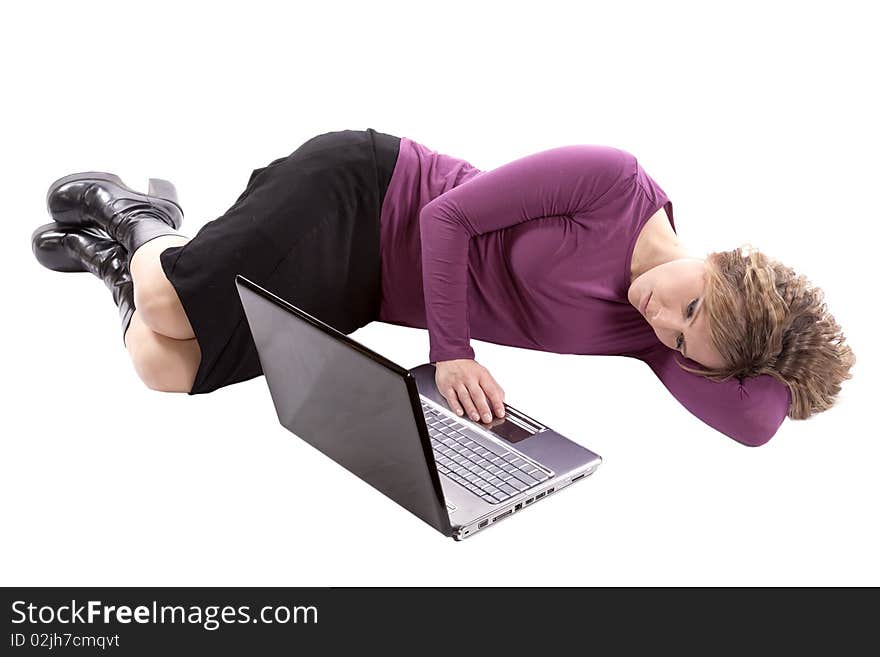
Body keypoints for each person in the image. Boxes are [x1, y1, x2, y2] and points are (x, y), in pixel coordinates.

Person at [31, 128, 854, 448]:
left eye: (682, 339)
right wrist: (451, 353)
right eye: (693, 302)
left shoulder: (654, 342)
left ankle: (118, 264)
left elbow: (754, 423)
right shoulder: (615, 184)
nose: (660, 316)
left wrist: (788, 356)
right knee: (171, 307)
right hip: (365, 193)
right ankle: (143, 218)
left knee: (163, 368)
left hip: (364, 289)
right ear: (725, 259)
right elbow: (447, 221)